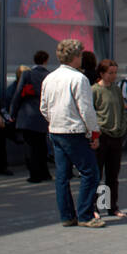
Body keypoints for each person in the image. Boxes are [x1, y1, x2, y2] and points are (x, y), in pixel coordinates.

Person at [40, 39, 103, 229]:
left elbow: (43, 107)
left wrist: (53, 120)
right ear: (76, 57)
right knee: (90, 172)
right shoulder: (79, 79)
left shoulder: (49, 78)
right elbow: (86, 109)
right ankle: (84, 214)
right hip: (74, 130)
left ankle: (67, 216)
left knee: (62, 176)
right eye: (81, 55)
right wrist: (94, 133)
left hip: (56, 129)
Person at [91, 60, 127, 219]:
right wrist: (94, 134)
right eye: (110, 73)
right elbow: (91, 113)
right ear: (101, 73)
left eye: (115, 72)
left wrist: (122, 126)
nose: (113, 76)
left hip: (116, 135)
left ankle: (112, 206)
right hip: (102, 135)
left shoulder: (116, 89)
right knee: (97, 174)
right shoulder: (95, 90)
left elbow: (121, 109)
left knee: (113, 174)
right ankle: (97, 206)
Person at [9, 49, 52, 182]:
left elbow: (18, 94)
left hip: (28, 115)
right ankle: (45, 173)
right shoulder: (49, 75)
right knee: (41, 144)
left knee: (30, 146)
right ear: (46, 61)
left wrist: (12, 113)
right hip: (43, 116)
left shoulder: (28, 74)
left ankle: (35, 175)